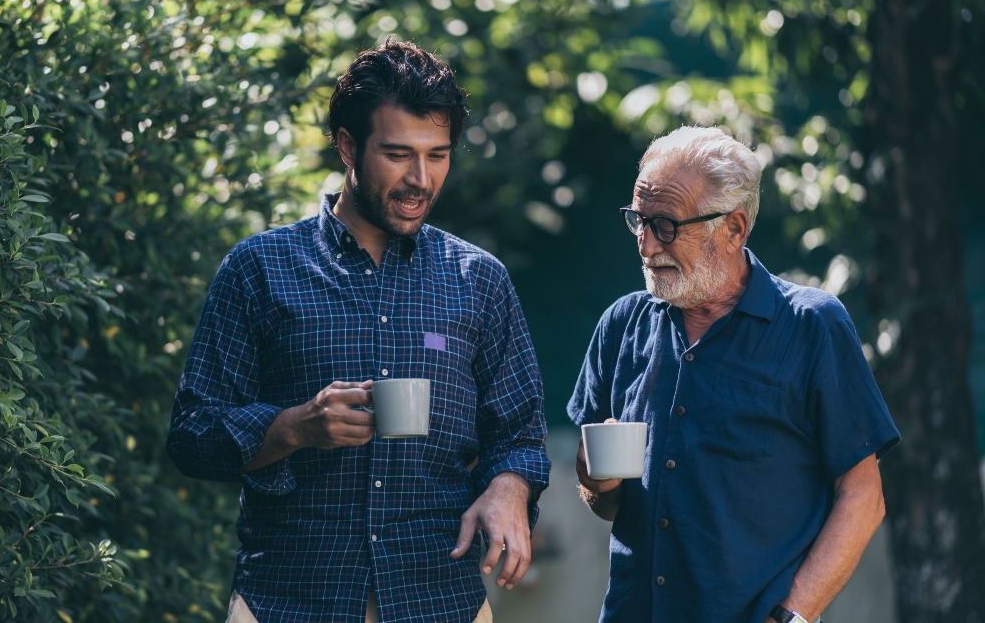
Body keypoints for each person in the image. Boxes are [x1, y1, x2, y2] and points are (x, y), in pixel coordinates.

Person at [166, 40, 549, 623]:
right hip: (289, 602)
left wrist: (510, 489)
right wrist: (293, 427)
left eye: (438, 155)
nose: (421, 179)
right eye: (398, 154)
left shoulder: (479, 281)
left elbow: (520, 433)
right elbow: (192, 435)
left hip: (438, 600)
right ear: (348, 146)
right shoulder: (260, 268)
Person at [570, 126, 900, 623]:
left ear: (734, 229)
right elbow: (604, 502)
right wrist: (596, 478)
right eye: (638, 221)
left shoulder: (812, 326)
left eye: (665, 225)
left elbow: (863, 497)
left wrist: (792, 615)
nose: (644, 244)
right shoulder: (621, 325)